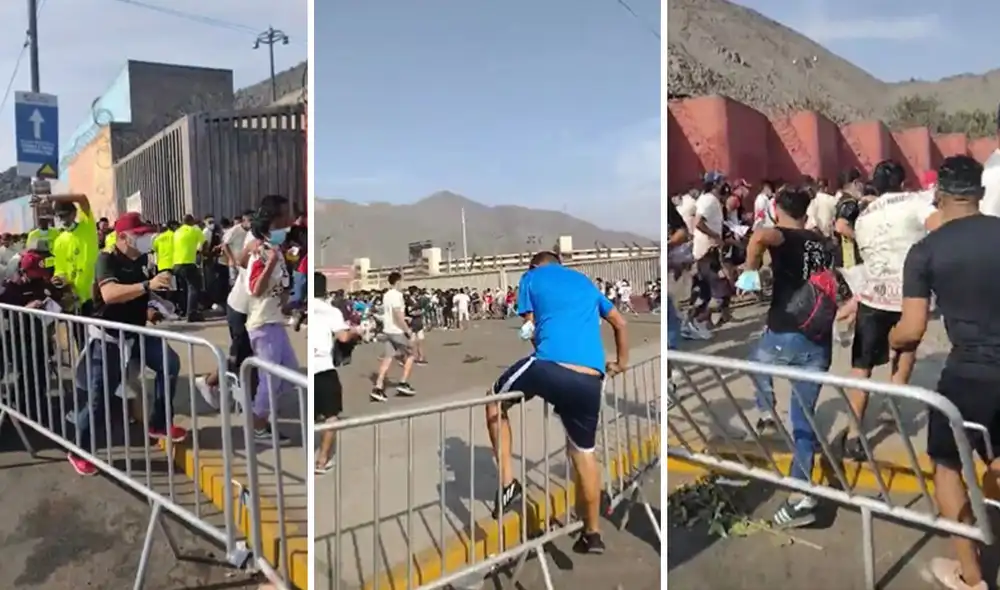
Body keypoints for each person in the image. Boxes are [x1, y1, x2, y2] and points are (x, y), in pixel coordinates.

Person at [889, 156, 998, 590]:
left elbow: (912, 329)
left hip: (968, 374)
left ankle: (971, 577)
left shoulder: (926, 251)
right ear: (981, 194)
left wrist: (893, 341)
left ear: (938, 196)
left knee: (948, 465)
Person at [487, 250, 628, 554]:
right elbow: (620, 322)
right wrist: (621, 362)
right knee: (584, 453)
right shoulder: (585, 282)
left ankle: (508, 482)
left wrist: (544, 356)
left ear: (535, 264)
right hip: (592, 376)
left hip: (549, 364)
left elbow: (530, 327)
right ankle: (592, 533)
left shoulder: (531, 277)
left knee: (495, 401)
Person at [740, 186, 851, 528]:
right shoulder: (820, 241)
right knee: (803, 420)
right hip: (818, 337)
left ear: (775, 208)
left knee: (752, 361)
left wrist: (750, 268)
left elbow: (760, 236)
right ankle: (801, 493)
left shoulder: (784, 235)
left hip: (785, 333)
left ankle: (765, 410)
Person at [68, 213, 185, 476]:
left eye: (146, 234)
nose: (145, 239)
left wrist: (154, 305)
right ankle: (78, 450)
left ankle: (159, 423)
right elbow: (109, 294)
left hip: (136, 332)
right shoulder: (106, 259)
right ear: (122, 237)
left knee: (170, 364)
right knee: (100, 400)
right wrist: (146, 285)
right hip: (109, 338)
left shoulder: (142, 259)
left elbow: (140, 292)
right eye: (140, 234)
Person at [842, 159, 942, 461]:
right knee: (905, 350)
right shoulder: (915, 202)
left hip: (872, 298)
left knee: (861, 368)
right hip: (909, 296)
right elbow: (940, 229)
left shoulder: (864, 217)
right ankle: (891, 405)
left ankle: (852, 433)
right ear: (902, 181)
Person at [245, 206, 298, 446]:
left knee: (289, 373)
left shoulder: (277, 252)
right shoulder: (261, 255)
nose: (284, 229)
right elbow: (255, 289)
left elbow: (282, 288)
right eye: (279, 226)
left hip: (275, 320)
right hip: (262, 323)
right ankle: (258, 425)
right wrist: (271, 262)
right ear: (267, 229)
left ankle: (262, 415)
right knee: (270, 378)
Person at [312, 272, 361, 474]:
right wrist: (356, 331)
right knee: (331, 415)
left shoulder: (304, 307)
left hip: (308, 369)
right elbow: (342, 337)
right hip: (323, 366)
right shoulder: (330, 311)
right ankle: (322, 459)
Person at [48, 194, 99, 348]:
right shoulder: (59, 240)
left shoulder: (87, 227)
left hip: (96, 296)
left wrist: (52, 198)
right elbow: (60, 270)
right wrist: (59, 281)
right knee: (82, 342)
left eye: (65, 215)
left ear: (74, 213)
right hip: (75, 301)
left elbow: (83, 198)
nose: (63, 220)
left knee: (101, 341)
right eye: (59, 216)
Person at [372, 272, 416, 401]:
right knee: (411, 354)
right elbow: (397, 314)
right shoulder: (398, 296)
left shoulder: (386, 295)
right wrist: (407, 330)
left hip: (388, 330)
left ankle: (378, 386)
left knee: (388, 357)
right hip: (397, 330)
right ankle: (403, 382)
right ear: (398, 282)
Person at [173, 214, 206, 322]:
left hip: (176, 264)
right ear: (192, 221)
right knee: (194, 288)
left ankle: (183, 310)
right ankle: (191, 314)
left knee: (184, 289)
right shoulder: (195, 230)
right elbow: (204, 243)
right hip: (188, 263)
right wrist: (201, 253)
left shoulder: (177, 232)